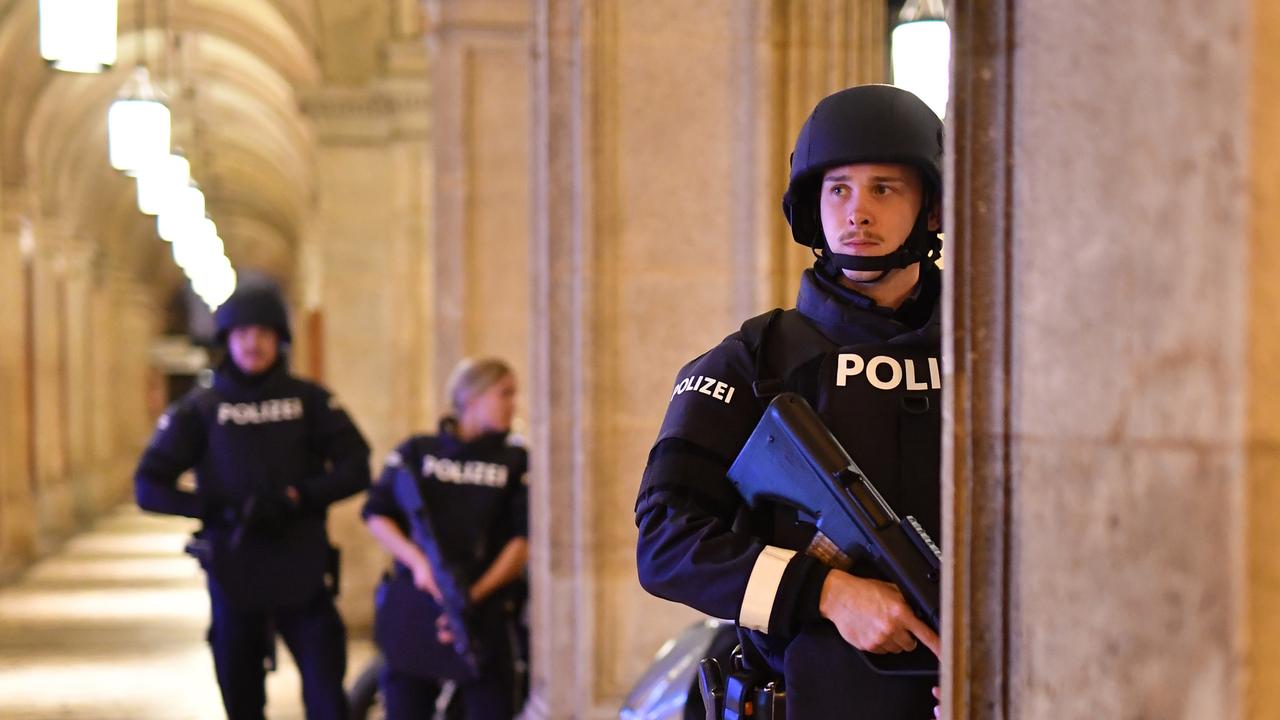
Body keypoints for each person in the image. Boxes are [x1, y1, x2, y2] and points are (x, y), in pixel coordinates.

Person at [635, 84, 945, 718]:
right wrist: (826, 592)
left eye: (884, 189)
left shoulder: (1001, 356)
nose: (858, 212)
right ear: (815, 206)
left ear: (932, 210)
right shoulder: (755, 359)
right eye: (839, 190)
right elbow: (665, 542)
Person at [134, 286, 371, 720]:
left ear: (279, 339)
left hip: (302, 566)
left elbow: (357, 466)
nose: (252, 343)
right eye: (242, 333)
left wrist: (300, 497)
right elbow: (149, 485)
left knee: (326, 696)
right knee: (241, 699)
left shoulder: (309, 401)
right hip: (234, 568)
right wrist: (216, 507)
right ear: (227, 340)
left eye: (263, 332)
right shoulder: (202, 408)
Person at [363, 358, 530, 720]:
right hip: (416, 604)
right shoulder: (418, 452)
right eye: (505, 393)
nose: (513, 404)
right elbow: (377, 514)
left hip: (485, 613)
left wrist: (473, 595)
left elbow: (522, 541)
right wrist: (419, 564)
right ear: (471, 396)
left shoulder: (515, 460)